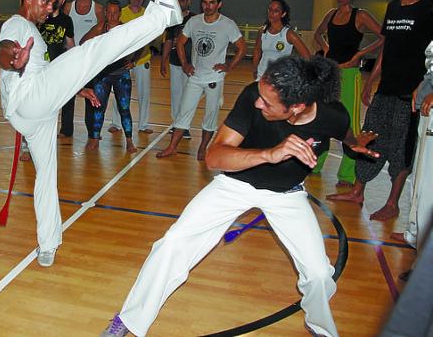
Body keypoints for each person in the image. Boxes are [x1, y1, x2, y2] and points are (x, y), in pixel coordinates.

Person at [101, 56, 379, 337]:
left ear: (295, 108)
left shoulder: (333, 114)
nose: (259, 103)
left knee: (319, 274)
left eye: (268, 103)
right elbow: (214, 156)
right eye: (260, 95)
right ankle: (130, 319)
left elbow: (345, 135)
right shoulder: (252, 96)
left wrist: (357, 146)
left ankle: (319, 325)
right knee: (172, 243)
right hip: (234, 186)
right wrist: (269, 154)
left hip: (287, 194)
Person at [0, 0, 182, 267]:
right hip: (30, 99)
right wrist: (12, 57)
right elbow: (3, 51)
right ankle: (161, 16)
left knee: (46, 177)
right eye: (45, 2)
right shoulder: (16, 25)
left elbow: (44, 73)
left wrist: (76, 88)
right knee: (93, 51)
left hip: (36, 112)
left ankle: (48, 244)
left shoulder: (32, 31)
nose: (50, 9)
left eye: (53, 4)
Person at [328, 0, 433, 221]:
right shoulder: (393, 7)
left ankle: (392, 203)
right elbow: (387, 48)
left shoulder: (427, 9)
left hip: (410, 93)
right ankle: (358, 191)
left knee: (401, 147)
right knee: (370, 136)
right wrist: (371, 80)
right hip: (386, 89)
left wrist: (428, 86)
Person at [156, 0, 247, 161]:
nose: (208, 6)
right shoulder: (194, 22)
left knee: (210, 116)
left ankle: (203, 148)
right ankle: (172, 147)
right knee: (184, 112)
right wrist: (185, 64)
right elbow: (180, 43)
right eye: (205, 2)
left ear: (219, 4)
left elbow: (242, 48)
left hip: (215, 78)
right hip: (195, 77)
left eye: (212, 2)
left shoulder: (228, 24)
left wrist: (229, 66)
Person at [311, 0, 384, 187]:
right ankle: (315, 164)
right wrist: (326, 49)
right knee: (323, 118)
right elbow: (318, 34)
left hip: (350, 75)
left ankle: (347, 174)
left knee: (349, 122)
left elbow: (384, 36)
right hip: (329, 74)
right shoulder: (331, 14)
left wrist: (360, 55)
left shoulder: (360, 16)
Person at [392, 40, 433, 252]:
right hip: (427, 109)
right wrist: (423, 84)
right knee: (419, 175)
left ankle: (425, 242)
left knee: (428, 180)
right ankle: (415, 232)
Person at [81, 0, 136, 153]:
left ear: (120, 13)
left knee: (124, 108)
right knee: (99, 108)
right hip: (103, 75)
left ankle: (130, 141)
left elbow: (141, 43)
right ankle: (95, 138)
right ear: (105, 13)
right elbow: (83, 42)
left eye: (115, 13)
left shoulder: (126, 29)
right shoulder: (100, 28)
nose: (112, 16)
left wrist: (133, 60)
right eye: (109, 12)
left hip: (121, 74)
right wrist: (94, 58)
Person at [109, 0, 154, 135]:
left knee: (144, 93)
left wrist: (135, 60)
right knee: (119, 92)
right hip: (123, 61)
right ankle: (116, 123)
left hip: (142, 59)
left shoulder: (148, 14)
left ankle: (143, 124)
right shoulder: (120, 13)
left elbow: (148, 39)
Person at [62, 0, 104, 138]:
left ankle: (92, 131)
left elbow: (102, 32)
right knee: (68, 95)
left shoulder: (98, 9)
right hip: (70, 58)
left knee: (91, 95)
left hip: (89, 60)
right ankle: (66, 130)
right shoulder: (67, 7)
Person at [38, 0, 75, 145]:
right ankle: (43, 130)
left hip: (60, 66)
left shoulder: (67, 20)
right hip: (42, 67)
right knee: (44, 101)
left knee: (67, 98)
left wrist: (73, 63)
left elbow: (70, 44)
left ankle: (66, 129)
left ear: (63, 0)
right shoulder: (40, 18)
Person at [160, 0, 195, 139]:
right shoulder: (173, 19)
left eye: (182, 0)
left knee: (188, 96)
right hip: (174, 62)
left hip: (190, 64)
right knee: (176, 95)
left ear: (188, 2)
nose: (180, 2)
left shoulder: (195, 19)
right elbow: (168, 41)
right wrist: (163, 61)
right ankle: (176, 124)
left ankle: (185, 127)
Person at [252, 0, 310, 81]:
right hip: (262, 77)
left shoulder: (289, 34)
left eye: (276, 11)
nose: (271, 13)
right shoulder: (262, 31)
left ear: (283, 14)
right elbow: (257, 50)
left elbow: (307, 56)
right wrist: (254, 69)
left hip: (281, 80)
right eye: (270, 9)